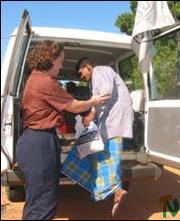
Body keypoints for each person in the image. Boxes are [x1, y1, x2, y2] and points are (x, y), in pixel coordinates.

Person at [15, 42, 110, 220]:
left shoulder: (35, 78)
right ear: (50, 59)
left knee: (37, 199)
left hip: (35, 140)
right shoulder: (45, 82)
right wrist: (94, 100)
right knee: (43, 202)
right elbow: (74, 106)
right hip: (39, 143)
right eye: (60, 61)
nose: (60, 65)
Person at [61, 57, 133, 216]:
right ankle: (116, 190)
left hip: (115, 120)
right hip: (110, 121)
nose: (82, 77)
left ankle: (117, 190)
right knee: (103, 155)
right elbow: (98, 98)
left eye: (81, 73)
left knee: (111, 156)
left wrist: (92, 114)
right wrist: (92, 114)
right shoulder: (96, 78)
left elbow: (105, 94)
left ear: (88, 67)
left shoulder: (100, 70)